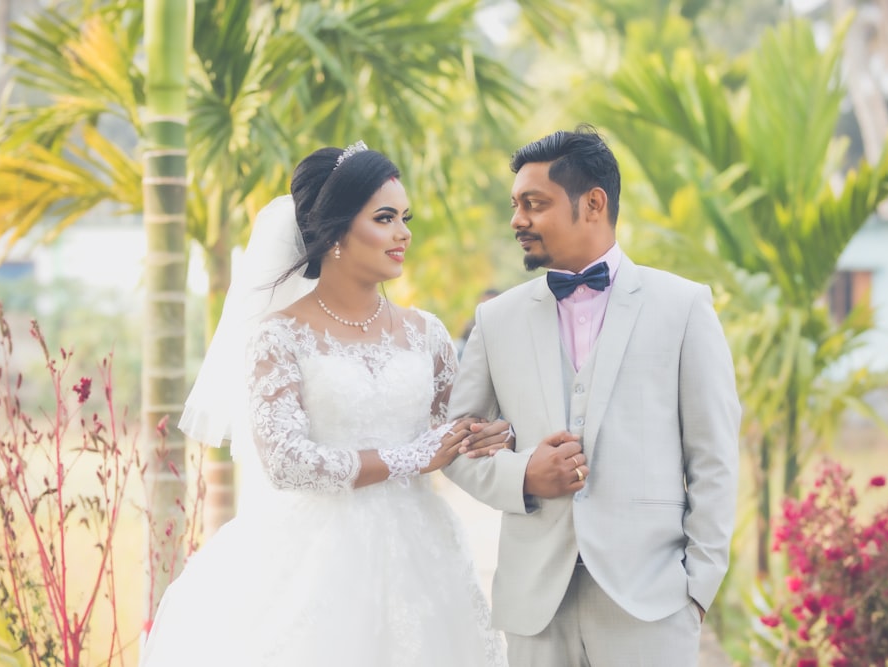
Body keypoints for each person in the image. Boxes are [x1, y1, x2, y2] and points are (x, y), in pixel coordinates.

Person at [140, 143, 511, 667]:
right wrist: (410, 457)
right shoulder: (280, 337)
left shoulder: (428, 334)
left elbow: (455, 435)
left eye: (405, 218)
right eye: (385, 218)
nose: (404, 232)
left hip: (423, 559)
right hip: (312, 563)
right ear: (336, 230)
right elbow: (288, 461)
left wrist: (497, 436)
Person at [444, 125, 741, 667]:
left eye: (534, 204)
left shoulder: (683, 307)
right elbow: (455, 445)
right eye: (515, 205)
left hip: (650, 603)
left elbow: (715, 457)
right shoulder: (497, 318)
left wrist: (696, 591)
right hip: (536, 605)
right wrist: (522, 477)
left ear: (594, 203)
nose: (517, 221)